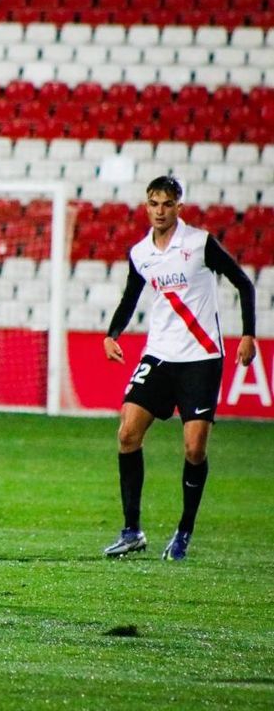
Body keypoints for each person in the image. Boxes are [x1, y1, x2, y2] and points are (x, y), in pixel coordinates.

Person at [103, 175, 257, 561]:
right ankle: (131, 531)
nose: (160, 211)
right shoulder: (141, 253)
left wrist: (248, 334)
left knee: (194, 448)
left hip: (201, 359)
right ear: (146, 206)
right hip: (159, 355)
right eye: (154, 203)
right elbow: (130, 297)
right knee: (127, 434)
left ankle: (184, 531)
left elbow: (243, 283)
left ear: (179, 207)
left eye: (167, 204)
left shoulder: (199, 243)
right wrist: (112, 334)